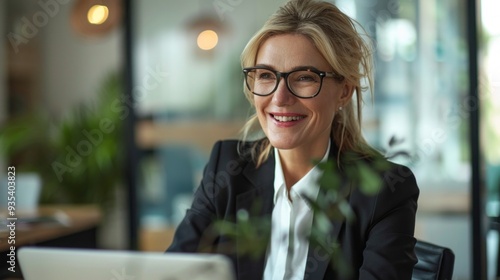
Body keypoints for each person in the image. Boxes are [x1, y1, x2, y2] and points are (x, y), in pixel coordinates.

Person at [167, 0, 419, 279]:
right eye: (265, 75)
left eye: (304, 78)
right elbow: (175, 272)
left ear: (344, 91)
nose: (279, 98)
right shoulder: (227, 168)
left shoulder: (384, 191)